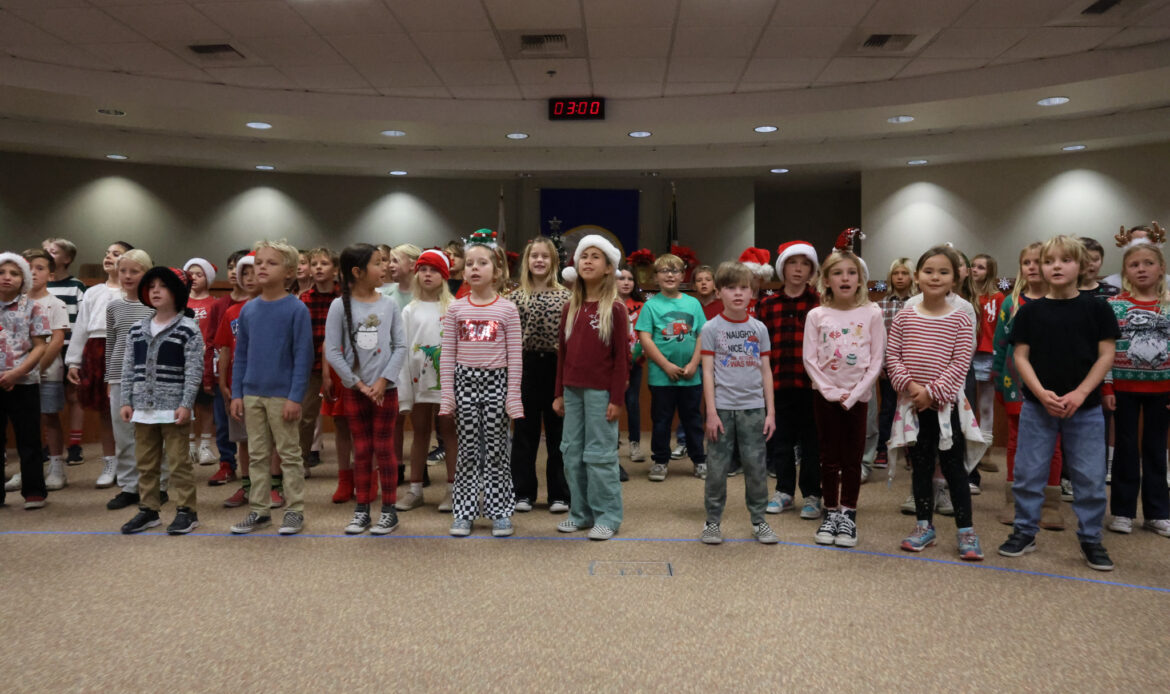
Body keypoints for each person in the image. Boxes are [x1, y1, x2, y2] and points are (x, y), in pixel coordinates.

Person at [999, 236, 1120, 571]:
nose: (1055, 266)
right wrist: (1039, 393)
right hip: (1039, 407)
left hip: (1086, 408)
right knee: (1028, 472)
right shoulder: (1030, 311)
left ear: (1081, 266)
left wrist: (1081, 393)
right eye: (1049, 261)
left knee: (1090, 477)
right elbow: (1020, 356)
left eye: (1065, 260)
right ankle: (1025, 530)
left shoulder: (1097, 307)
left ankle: (1091, 538)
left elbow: (1106, 354)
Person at [887, 247, 986, 560]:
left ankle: (966, 531)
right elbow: (893, 358)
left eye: (943, 272)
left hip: (946, 407)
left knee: (954, 468)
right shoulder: (905, 316)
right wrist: (915, 390)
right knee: (921, 467)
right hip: (913, 406)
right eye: (929, 270)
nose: (935, 277)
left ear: (954, 280)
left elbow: (960, 364)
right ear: (917, 277)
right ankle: (923, 526)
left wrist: (933, 392)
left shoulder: (960, 319)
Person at [439, 230, 523, 537]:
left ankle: (500, 511)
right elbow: (448, 355)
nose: (475, 268)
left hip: (496, 383)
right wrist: (448, 396)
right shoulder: (456, 310)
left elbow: (515, 357)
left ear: (497, 271)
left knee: (497, 450)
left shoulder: (507, 309)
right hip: (465, 383)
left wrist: (513, 396)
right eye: (470, 263)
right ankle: (464, 511)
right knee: (469, 450)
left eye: (482, 263)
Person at [228, 241, 314, 535]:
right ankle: (259, 510)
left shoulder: (296, 309)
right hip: (252, 393)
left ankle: (294, 510)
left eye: (270, 263)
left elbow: (304, 357)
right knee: (257, 455)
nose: (261, 267)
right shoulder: (249, 310)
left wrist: (295, 397)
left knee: (289, 454)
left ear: (289, 272)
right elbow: (241, 355)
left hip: (282, 396)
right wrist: (237, 393)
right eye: (258, 262)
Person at [802, 249, 885, 547]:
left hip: (858, 397)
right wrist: (831, 391)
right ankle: (831, 511)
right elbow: (810, 359)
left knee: (852, 457)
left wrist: (856, 393)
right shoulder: (817, 315)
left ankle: (848, 512)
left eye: (851, 273)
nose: (845, 278)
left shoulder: (872, 313)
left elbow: (876, 360)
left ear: (860, 279)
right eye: (838, 273)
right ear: (826, 280)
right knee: (828, 456)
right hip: (826, 396)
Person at [325, 244, 407, 535]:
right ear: (357, 272)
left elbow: (400, 346)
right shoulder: (339, 306)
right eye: (377, 263)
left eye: (384, 262)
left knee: (384, 449)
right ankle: (362, 510)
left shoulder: (389, 304)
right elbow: (332, 351)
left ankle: (389, 510)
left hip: (386, 390)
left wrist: (384, 381)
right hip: (355, 390)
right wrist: (358, 384)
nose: (384, 267)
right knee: (361, 450)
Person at [552, 235, 629, 541]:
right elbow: (563, 354)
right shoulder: (570, 307)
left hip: (601, 395)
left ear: (609, 268)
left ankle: (607, 516)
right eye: (584, 256)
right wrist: (559, 391)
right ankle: (580, 512)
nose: (587, 261)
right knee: (571, 453)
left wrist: (617, 398)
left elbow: (622, 360)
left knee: (599, 456)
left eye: (596, 257)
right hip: (572, 391)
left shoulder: (616, 309)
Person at [118, 267, 204, 534]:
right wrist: (126, 400)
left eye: (162, 286)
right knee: (145, 462)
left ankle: (186, 511)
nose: (155, 290)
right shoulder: (137, 329)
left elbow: (193, 371)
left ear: (177, 293)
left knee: (179, 463)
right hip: (142, 408)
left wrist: (186, 403)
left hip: (174, 408)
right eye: (151, 285)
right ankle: (149, 510)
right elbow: (128, 367)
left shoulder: (188, 329)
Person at [699, 261, 778, 545]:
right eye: (730, 288)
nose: (737, 293)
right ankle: (712, 522)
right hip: (721, 409)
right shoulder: (711, 328)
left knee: (756, 468)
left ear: (752, 292)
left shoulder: (759, 328)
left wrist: (771, 412)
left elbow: (765, 370)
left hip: (754, 409)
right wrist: (711, 412)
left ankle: (759, 520)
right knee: (717, 469)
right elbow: (707, 371)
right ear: (719, 292)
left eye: (743, 287)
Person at [990, 243, 1065, 529]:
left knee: (1053, 443)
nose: (1032, 267)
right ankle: (1015, 501)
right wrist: (997, 377)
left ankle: (1050, 504)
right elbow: (1000, 343)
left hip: (1053, 384)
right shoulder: (1011, 303)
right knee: (1016, 441)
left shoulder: (1062, 302)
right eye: (1027, 263)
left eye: (1039, 262)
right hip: (1015, 383)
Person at [1103, 241, 1170, 537]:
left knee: (1156, 450)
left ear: (1162, 268)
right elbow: (1104, 350)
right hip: (1123, 388)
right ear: (1126, 272)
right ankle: (1122, 511)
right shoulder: (1114, 305)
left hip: (1163, 391)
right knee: (1126, 449)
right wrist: (1106, 387)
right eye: (1134, 265)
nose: (1141, 269)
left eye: (1148, 263)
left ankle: (1157, 512)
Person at [758, 241, 823, 519]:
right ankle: (784, 491)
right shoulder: (767, 305)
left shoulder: (820, 303)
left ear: (812, 269)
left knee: (812, 442)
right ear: (783, 267)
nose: (798, 269)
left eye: (805, 263)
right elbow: (759, 348)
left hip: (812, 386)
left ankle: (812, 494)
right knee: (781, 441)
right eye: (793, 263)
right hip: (778, 385)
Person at [509, 237, 571, 514]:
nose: (539, 260)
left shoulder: (567, 297)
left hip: (557, 366)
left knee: (558, 434)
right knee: (525, 432)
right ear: (527, 261)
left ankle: (559, 493)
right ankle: (523, 492)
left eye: (545, 256)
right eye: (534, 255)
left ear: (554, 262)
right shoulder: (514, 297)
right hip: (525, 366)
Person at [636, 253, 707, 481]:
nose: (669, 275)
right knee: (661, 420)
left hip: (691, 375)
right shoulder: (651, 306)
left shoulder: (693, 303)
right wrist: (666, 365)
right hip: (661, 376)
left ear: (683, 275)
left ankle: (699, 460)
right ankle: (660, 461)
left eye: (674, 270)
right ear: (655, 277)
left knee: (693, 419)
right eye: (664, 271)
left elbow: (701, 335)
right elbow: (645, 339)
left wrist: (694, 363)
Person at [397, 249, 457, 512]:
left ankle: (454, 491)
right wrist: (404, 390)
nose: (427, 274)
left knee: (450, 433)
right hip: (418, 383)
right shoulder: (409, 310)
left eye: (433, 270)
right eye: (423, 270)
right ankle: (415, 489)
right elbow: (403, 348)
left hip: (447, 384)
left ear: (443, 275)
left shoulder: (454, 308)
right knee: (420, 432)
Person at [65, 242, 130, 486]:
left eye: (116, 254)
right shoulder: (92, 292)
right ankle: (110, 461)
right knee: (105, 411)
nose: (109, 257)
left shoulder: (132, 292)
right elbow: (81, 327)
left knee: (124, 408)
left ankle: (128, 463)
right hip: (96, 349)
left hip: (122, 349)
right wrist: (73, 361)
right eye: (107, 253)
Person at [104, 249, 164, 511]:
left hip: (149, 377)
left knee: (152, 432)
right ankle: (129, 486)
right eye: (123, 271)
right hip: (119, 378)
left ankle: (159, 486)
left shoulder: (156, 304)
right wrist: (109, 376)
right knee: (124, 434)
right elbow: (111, 343)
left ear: (147, 273)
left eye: (134, 271)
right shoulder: (114, 306)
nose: (127, 276)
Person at [0, 252, 50, 509]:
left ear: (23, 279)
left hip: (24, 382)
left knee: (28, 438)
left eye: (14, 273)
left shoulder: (33, 307)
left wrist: (17, 373)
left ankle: (34, 491)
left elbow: (40, 346)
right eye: (2, 272)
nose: (7, 277)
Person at [23, 249, 70, 491]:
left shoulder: (55, 303)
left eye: (40, 268)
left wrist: (35, 367)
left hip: (47, 371)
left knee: (49, 417)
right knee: (26, 422)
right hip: (19, 373)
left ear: (50, 275)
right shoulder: (16, 303)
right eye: (29, 268)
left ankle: (56, 468)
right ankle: (29, 469)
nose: (33, 272)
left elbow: (57, 340)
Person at [297, 248, 342, 493]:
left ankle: (349, 464)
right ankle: (301, 461)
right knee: (305, 416)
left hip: (340, 368)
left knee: (342, 418)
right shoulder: (303, 300)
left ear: (335, 270)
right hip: (311, 367)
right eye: (314, 264)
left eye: (324, 263)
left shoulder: (343, 298)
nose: (318, 268)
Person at [203, 249, 250, 486]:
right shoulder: (221, 305)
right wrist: (212, 378)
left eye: (240, 267)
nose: (235, 272)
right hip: (226, 375)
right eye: (231, 267)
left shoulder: (255, 303)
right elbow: (214, 343)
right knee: (224, 423)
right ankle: (226, 464)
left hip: (252, 379)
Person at [42, 238, 89, 465]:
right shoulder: (41, 285)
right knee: (47, 399)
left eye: (54, 251)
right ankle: (49, 445)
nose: (49, 254)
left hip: (70, 347)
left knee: (73, 396)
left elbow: (82, 319)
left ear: (67, 259)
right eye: (46, 251)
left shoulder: (76, 286)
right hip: (45, 350)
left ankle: (74, 444)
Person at [872, 257, 915, 471]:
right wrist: (879, 365)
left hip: (913, 368)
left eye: (904, 273)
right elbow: (878, 339)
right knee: (888, 407)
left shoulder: (917, 303)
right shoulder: (880, 306)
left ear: (912, 277)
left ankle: (910, 448)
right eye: (896, 273)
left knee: (910, 408)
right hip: (888, 367)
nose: (900, 277)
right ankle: (883, 447)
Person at [182, 258, 219, 467]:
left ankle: (205, 444)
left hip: (205, 360)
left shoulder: (213, 303)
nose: (194, 278)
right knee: (187, 402)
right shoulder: (181, 302)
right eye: (190, 274)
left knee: (205, 403)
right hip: (183, 360)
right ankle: (189, 445)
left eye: (199, 274)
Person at [970, 254, 1003, 476]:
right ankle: (970, 450)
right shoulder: (966, 296)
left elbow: (1001, 328)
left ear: (989, 271)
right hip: (969, 354)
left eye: (980, 267)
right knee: (969, 406)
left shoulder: (998, 297)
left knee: (985, 405)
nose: (975, 270)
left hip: (989, 354)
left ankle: (986, 451)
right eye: (973, 266)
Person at [618, 264, 646, 468]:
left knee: (632, 402)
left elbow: (645, 334)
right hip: (610, 364)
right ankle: (610, 441)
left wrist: (637, 354)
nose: (626, 282)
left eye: (630, 279)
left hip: (635, 361)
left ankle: (635, 444)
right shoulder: (607, 303)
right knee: (610, 403)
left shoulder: (642, 306)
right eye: (622, 278)